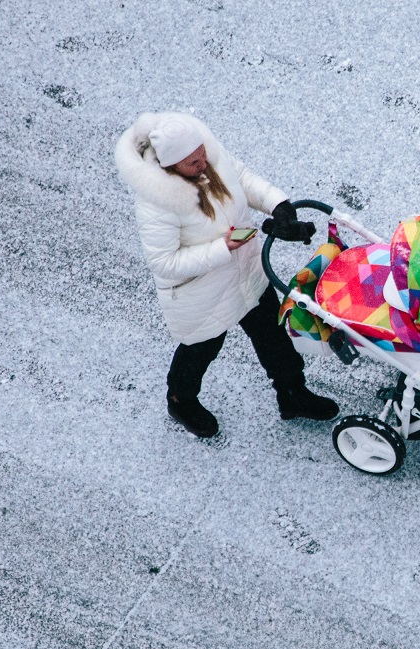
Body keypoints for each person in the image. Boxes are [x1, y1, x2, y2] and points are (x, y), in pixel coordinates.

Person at [114, 112, 338, 437]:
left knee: (273, 336)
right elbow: (164, 262)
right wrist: (222, 248)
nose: (203, 164)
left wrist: (279, 206)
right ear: (169, 166)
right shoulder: (157, 202)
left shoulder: (205, 155)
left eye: (203, 155)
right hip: (201, 292)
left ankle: (292, 394)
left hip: (246, 272)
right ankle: (181, 401)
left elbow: (242, 178)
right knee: (201, 349)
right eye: (193, 163)